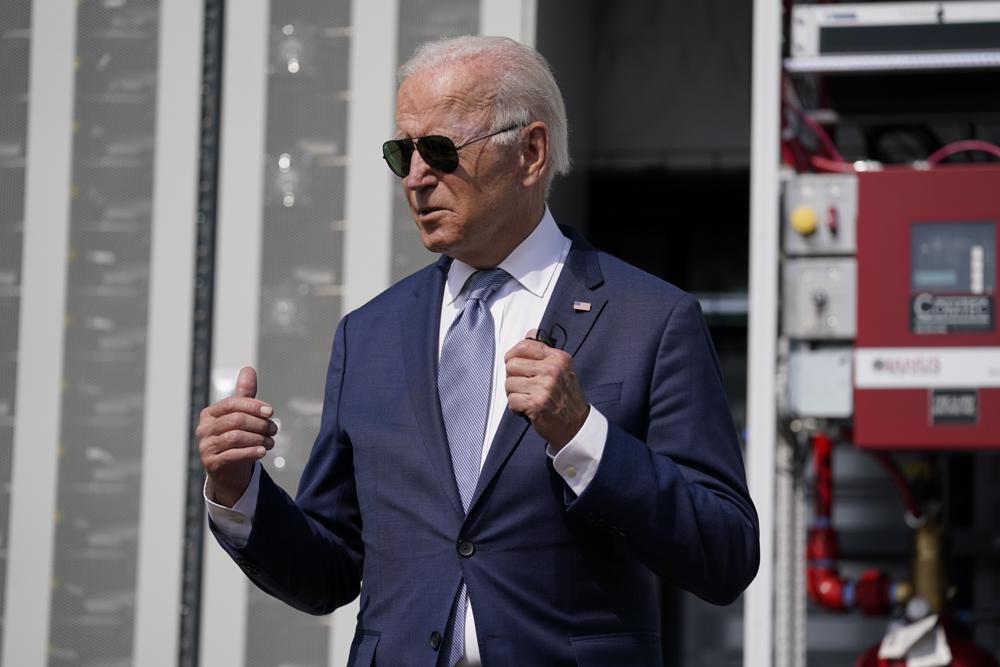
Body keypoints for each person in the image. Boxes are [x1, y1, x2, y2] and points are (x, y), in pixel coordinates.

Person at [199, 35, 759, 667]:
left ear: (531, 151)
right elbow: (330, 569)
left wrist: (584, 437)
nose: (415, 177)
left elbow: (725, 554)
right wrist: (240, 490)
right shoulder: (369, 334)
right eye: (401, 152)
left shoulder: (652, 320)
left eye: (438, 150)